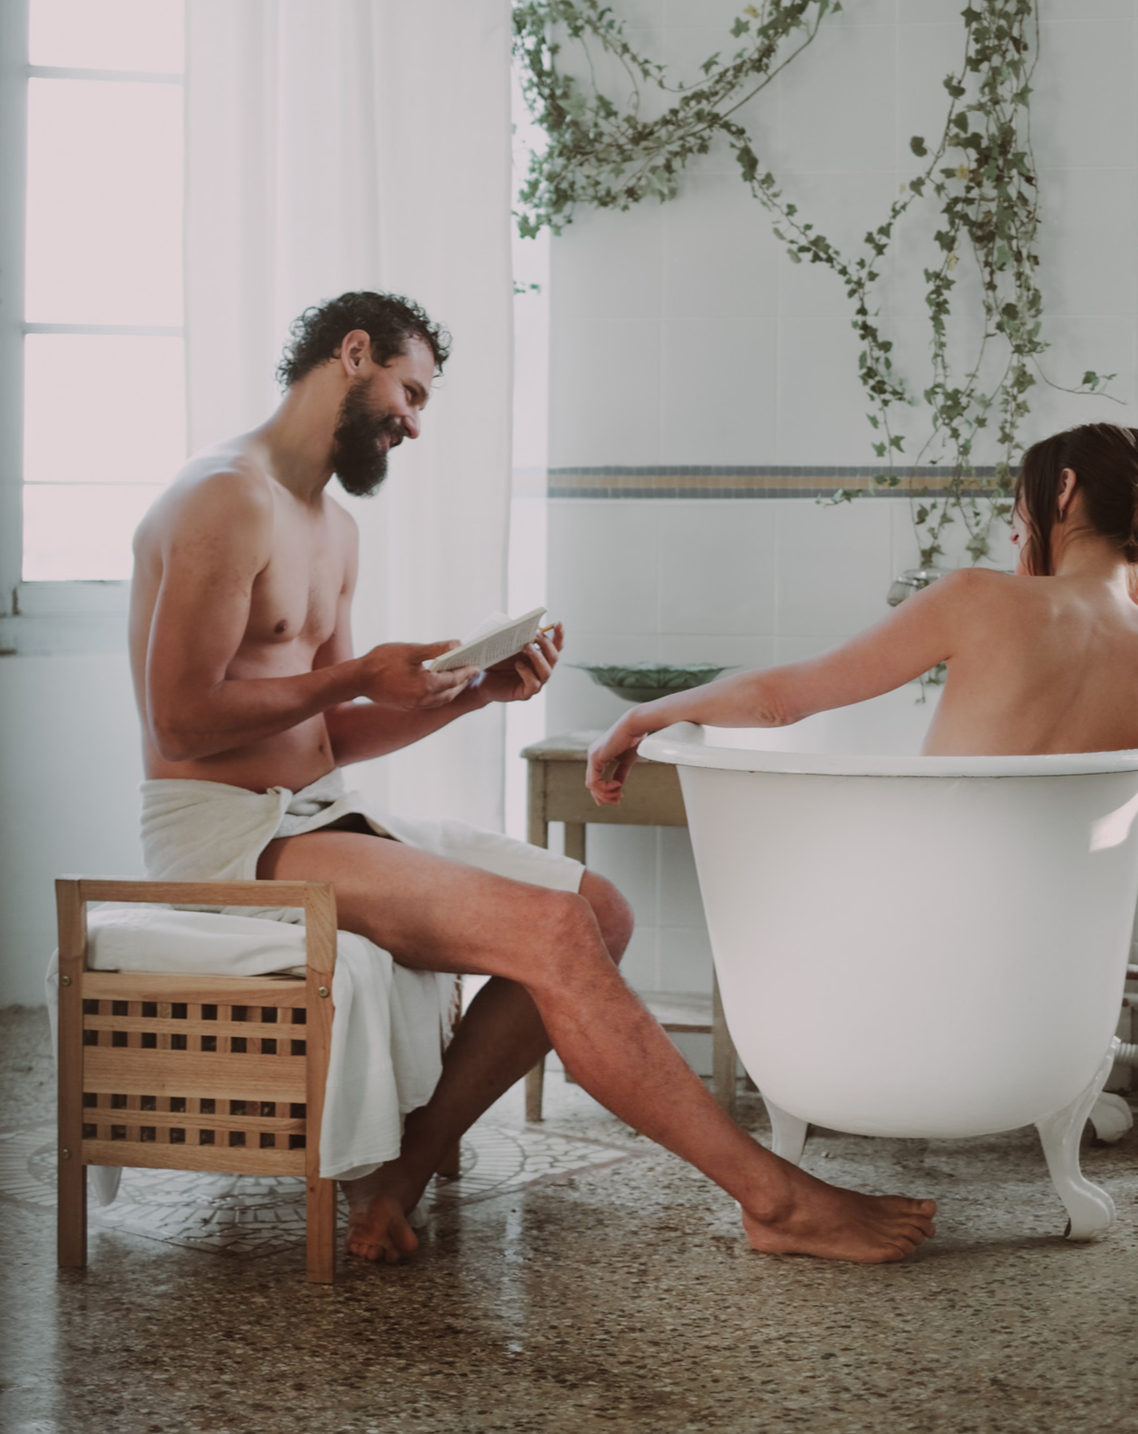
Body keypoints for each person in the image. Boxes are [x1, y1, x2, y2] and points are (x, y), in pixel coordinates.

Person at [130, 289, 935, 1267]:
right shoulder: (223, 495)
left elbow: (326, 735)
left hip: (311, 812)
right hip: (221, 832)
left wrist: (471, 695)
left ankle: (398, 1180)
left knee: (597, 908)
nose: (414, 424)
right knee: (550, 931)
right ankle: (774, 1200)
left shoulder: (332, 530)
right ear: (353, 353)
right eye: (410, 392)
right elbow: (180, 719)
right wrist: (355, 671)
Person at [586, 423, 1138, 808]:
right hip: (1056, 924)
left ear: (1064, 491)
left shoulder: (975, 597)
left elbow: (779, 703)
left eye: (1019, 510)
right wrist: (1131, 551)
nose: (1017, 532)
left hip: (929, 885)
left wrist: (643, 717)